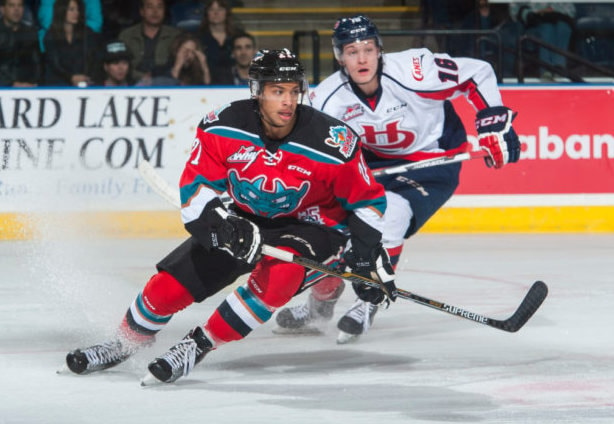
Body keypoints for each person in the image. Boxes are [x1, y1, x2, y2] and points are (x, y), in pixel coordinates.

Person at [64, 48, 395, 384]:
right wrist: (223, 227)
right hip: (245, 217)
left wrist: (366, 252)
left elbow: (366, 202)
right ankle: (125, 342)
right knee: (168, 288)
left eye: (294, 91)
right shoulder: (223, 126)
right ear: (257, 91)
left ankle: (199, 345)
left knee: (278, 278)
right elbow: (196, 193)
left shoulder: (331, 142)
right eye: (277, 91)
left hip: (312, 226)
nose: (288, 102)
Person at [275, 15, 520, 344]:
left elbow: (478, 74)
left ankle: (368, 300)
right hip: (372, 167)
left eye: (367, 49)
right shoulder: (328, 99)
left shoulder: (416, 69)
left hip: (431, 163)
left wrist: (492, 125)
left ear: (380, 50)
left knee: (388, 216)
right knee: (325, 232)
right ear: (339, 57)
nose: (361, 58)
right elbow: (307, 152)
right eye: (351, 51)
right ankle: (320, 307)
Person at [118, 0, 181, 84]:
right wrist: (141, 77)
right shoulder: (127, 35)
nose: (155, 11)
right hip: (133, 83)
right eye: (150, 7)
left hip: (166, 82)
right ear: (142, 11)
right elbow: (118, 65)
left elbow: (180, 65)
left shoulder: (175, 35)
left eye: (159, 7)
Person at [509, 2, 576, 80]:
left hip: (559, 20)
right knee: (547, 29)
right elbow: (514, 10)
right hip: (535, 23)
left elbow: (571, 11)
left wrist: (553, 11)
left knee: (564, 28)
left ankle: (559, 68)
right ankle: (546, 70)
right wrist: (534, 13)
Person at [42, 0, 100, 86]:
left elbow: (92, 59)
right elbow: (54, 63)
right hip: (59, 81)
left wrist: (83, 77)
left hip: (85, 80)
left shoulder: (87, 33)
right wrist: (71, 77)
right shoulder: (51, 35)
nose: (76, 13)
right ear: (62, 11)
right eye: (71, 9)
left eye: (77, 10)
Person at [197, 0, 243, 85]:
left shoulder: (239, 36)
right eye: (211, 9)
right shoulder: (198, 38)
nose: (216, 13)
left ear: (227, 12)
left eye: (220, 9)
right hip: (205, 83)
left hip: (235, 83)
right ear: (207, 14)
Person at [0, 0, 42, 87]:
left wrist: (32, 83)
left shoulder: (30, 32)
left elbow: (37, 62)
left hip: (28, 86)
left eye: (20, 5)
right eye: (12, 6)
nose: (16, 9)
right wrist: (12, 84)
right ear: (2, 9)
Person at [37, 0, 102, 52]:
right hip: (56, 33)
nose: (76, 12)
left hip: (81, 34)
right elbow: (47, 21)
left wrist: (75, 27)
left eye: (78, 10)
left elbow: (95, 22)